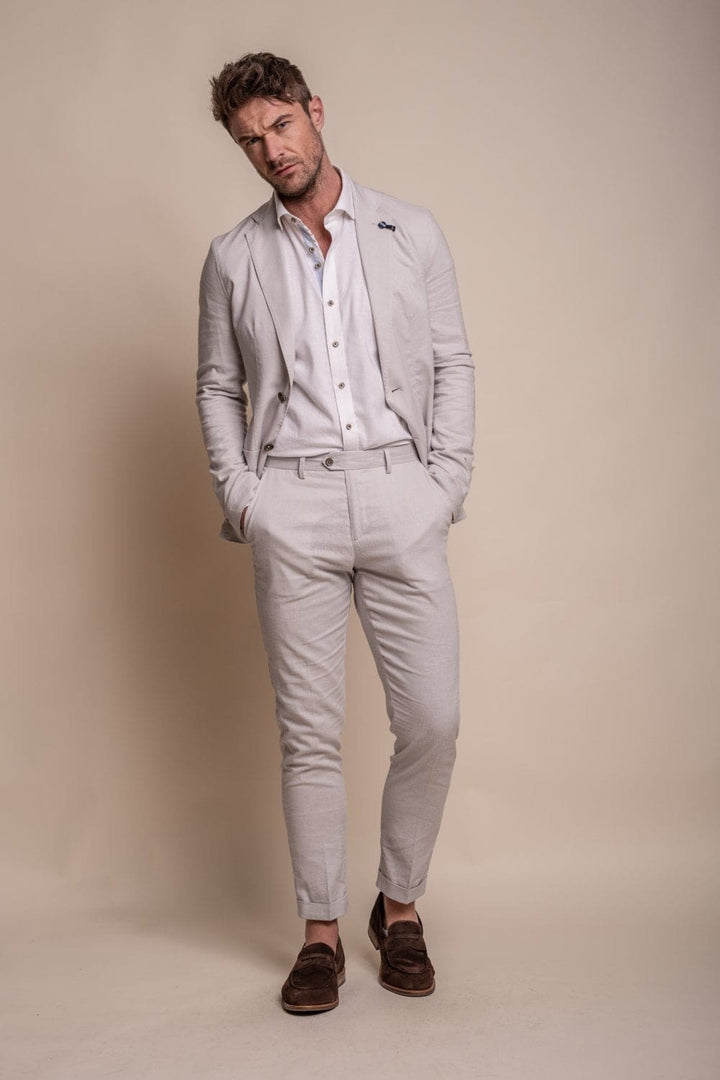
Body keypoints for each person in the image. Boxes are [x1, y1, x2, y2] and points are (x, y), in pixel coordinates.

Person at [196, 52, 474, 1013]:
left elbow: (452, 361)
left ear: (314, 111)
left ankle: (399, 907)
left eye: (280, 126)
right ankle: (320, 932)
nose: (271, 150)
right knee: (309, 733)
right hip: (293, 501)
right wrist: (245, 497)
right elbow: (218, 385)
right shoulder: (233, 256)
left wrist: (445, 484)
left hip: (401, 492)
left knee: (431, 720)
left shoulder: (410, 231)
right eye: (250, 141)